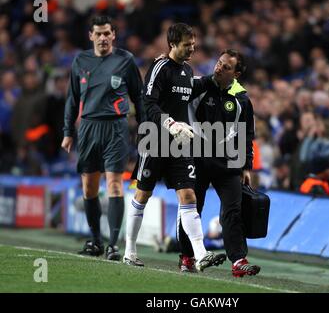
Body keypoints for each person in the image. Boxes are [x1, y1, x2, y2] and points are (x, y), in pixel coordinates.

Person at [123, 23, 226, 271]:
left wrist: (216, 77)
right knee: (143, 194)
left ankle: (201, 254)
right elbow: (148, 103)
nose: (192, 48)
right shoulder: (159, 68)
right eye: (187, 44)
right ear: (172, 44)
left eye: (193, 43)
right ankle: (130, 250)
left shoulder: (188, 71)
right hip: (154, 139)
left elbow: (192, 89)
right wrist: (171, 123)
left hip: (179, 143)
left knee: (188, 195)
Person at [61, 16, 144, 261]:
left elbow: (138, 97)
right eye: (98, 34)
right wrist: (67, 132)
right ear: (91, 36)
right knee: (89, 188)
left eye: (107, 33)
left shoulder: (125, 60)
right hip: (87, 128)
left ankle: (114, 245)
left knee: (115, 184)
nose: (103, 38)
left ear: (114, 35)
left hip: (116, 127)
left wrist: (145, 126)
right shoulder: (80, 60)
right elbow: (72, 99)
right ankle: (96, 240)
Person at [178, 49, 261, 277]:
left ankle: (238, 260)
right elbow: (174, 86)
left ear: (236, 73)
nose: (219, 68)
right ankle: (187, 256)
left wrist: (246, 166)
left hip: (229, 162)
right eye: (219, 63)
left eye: (226, 67)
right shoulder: (199, 87)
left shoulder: (242, 99)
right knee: (192, 208)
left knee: (233, 211)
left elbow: (246, 135)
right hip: (197, 157)